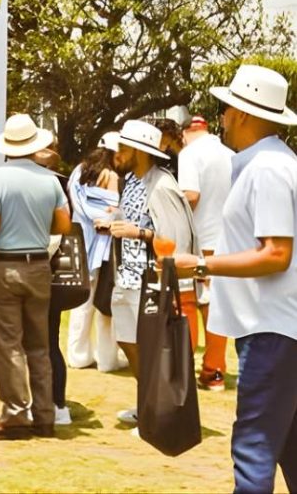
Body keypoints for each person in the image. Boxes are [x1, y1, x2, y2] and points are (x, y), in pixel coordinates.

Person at [173, 64, 297, 493]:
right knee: (287, 445)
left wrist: (202, 265)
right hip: (276, 326)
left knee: (254, 447)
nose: (222, 118)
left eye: (225, 109)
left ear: (241, 114)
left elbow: (276, 253)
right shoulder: (276, 163)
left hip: (271, 328)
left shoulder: (268, 169)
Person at [0, 113, 71, 440]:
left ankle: (16, 414)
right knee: (39, 345)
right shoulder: (50, 179)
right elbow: (63, 225)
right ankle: (45, 416)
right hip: (39, 266)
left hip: (5, 267)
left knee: (9, 344)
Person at [100, 120, 197, 429]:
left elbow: (175, 240)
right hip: (127, 275)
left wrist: (138, 233)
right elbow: (135, 220)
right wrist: (114, 223)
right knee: (127, 341)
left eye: (123, 147)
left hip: (149, 280)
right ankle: (148, 405)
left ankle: (158, 413)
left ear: (139, 151)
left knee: (151, 346)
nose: (117, 153)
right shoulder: (132, 180)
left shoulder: (163, 185)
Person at [178, 114, 233, 392]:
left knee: (187, 303)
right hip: (226, 240)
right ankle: (214, 371)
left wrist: (173, 215)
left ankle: (184, 369)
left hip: (198, 239)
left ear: (184, 133)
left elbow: (191, 195)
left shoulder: (189, 154)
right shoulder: (229, 153)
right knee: (215, 305)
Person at [66, 135, 123, 373]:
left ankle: (77, 355)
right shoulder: (111, 176)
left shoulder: (77, 172)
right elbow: (114, 211)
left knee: (81, 303)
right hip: (103, 245)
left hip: (80, 242)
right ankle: (107, 358)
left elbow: (73, 204)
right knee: (104, 302)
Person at [32, 147, 74, 426]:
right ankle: (54, 402)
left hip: (43, 275)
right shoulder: (58, 192)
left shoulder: (52, 195)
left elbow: (52, 239)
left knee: (45, 343)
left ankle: (55, 403)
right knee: (48, 342)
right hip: (47, 277)